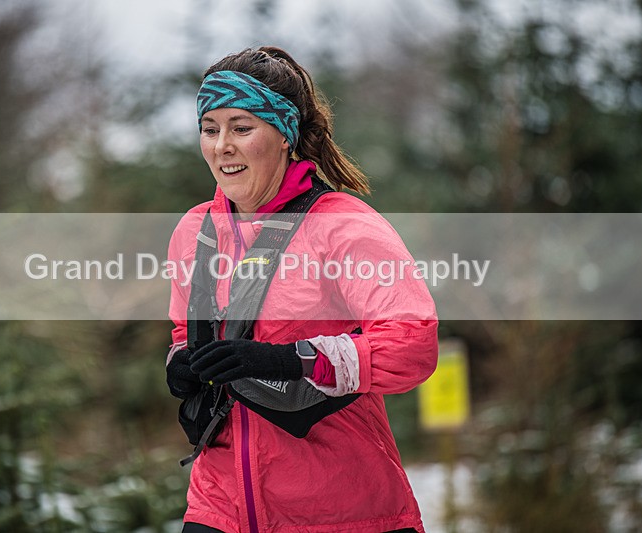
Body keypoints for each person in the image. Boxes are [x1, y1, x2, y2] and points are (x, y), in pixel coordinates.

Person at [165, 46, 439, 533]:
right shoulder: (195, 231)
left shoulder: (343, 226)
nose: (221, 145)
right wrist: (182, 365)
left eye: (241, 128)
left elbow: (413, 344)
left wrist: (289, 361)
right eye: (210, 129)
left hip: (342, 511)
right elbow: (185, 333)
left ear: (285, 134)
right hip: (218, 507)